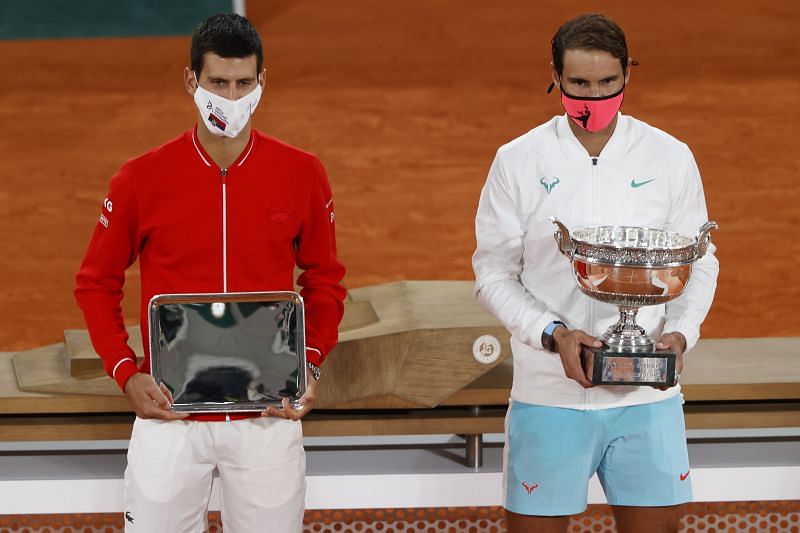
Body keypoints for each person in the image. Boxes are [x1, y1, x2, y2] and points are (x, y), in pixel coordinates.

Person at [75, 13, 346, 532]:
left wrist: (309, 363)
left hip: (267, 415)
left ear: (262, 82)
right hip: (169, 413)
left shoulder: (302, 173)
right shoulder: (140, 179)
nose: (231, 96)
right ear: (190, 81)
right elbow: (95, 282)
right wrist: (125, 373)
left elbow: (325, 280)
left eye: (244, 83)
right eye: (218, 83)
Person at [472, 13, 719, 533]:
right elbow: (493, 273)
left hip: (647, 396)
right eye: (579, 83)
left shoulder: (670, 157)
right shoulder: (517, 161)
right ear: (555, 75)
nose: (593, 98)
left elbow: (700, 259)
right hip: (549, 395)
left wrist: (681, 334)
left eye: (607, 83)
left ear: (629, 72)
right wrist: (552, 334)